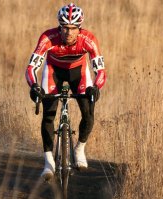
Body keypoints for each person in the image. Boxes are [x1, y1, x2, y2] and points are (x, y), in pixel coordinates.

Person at [25, 3, 106, 180]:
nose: (68, 33)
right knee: (48, 114)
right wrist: (34, 86)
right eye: (64, 28)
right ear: (59, 27)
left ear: (79, 27)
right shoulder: (48, 38)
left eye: (73, 28)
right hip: (54, 71)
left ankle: (79, 149)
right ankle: (48, 162)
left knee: (88, 112)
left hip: (79, 72)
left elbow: (100, 71)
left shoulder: (89, 39)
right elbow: (31, 67)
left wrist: (96, 87)